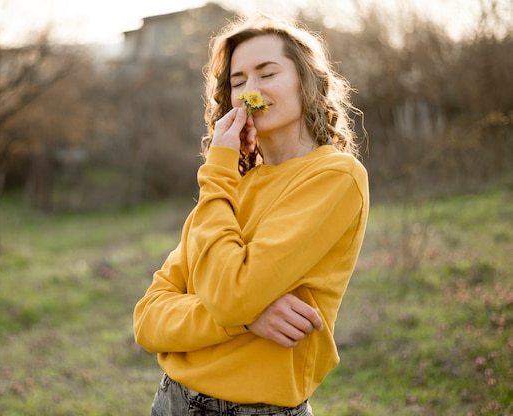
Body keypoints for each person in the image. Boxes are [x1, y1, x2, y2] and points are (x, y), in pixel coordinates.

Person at [133, 13, 369, 416]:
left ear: (306, 82)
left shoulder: (334, 176)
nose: (249, 91)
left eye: (266, 73)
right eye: (238, 81)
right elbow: (148, 317)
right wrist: (245, 319)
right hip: (172, 400)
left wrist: (236, 307)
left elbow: (233, 295)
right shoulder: (227, 184)